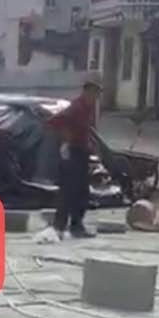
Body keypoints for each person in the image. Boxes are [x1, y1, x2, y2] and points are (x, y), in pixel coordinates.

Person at [48, 76, 102, 238]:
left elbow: (88, 130)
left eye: (98, 94)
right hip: (73, 152)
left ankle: (76, 225)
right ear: (87, 91)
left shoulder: (89, 108)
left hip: (82, 153)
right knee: (68, 190)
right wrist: (66, 137)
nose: (96, 97)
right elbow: (54, 122)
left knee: (82, 192)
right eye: (94, 93)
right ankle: (59, 225)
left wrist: (92, 146)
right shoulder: (76, 107)